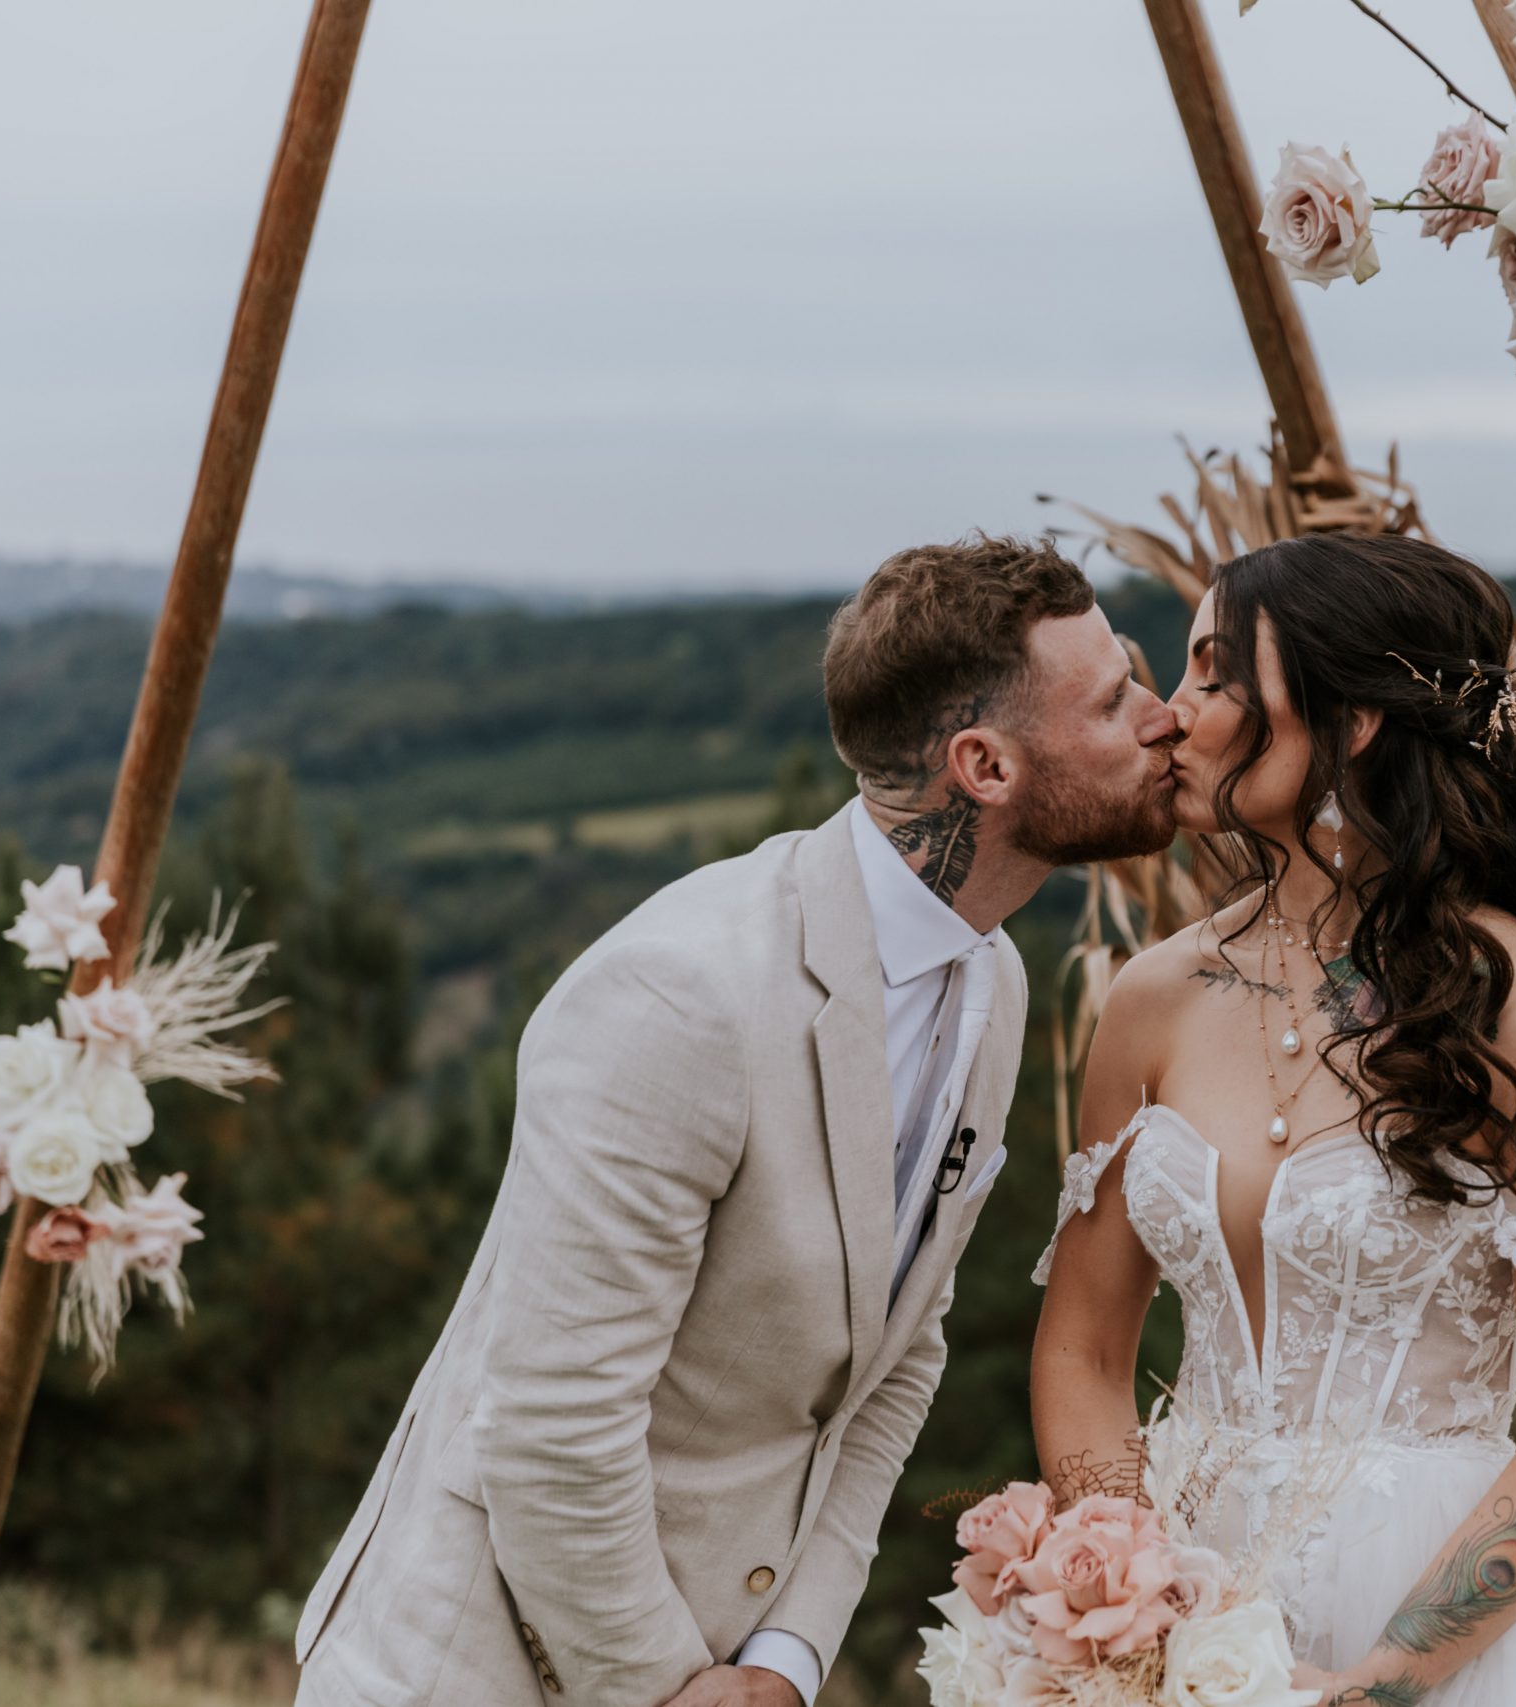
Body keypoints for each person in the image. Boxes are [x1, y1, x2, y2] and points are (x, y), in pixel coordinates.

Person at [294, 534, 1184, 1707]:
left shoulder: (991, 981)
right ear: (986, 765)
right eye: (1116, 698)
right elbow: (555, 1420)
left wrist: (788, 1651)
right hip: (480, 1666)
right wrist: (665, 1685)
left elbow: (897, 1356)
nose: (1164, 717)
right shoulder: (680, 995)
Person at [1030, 532, 1516, 1704]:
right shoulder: (1150, 1001)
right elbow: (1082, 1350)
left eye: (1216, 675)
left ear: (1357, 719)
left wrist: (1386, 1679)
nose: (1171, 715)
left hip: (1444, 1620)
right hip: (1186, 1597)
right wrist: (1129, 1606)